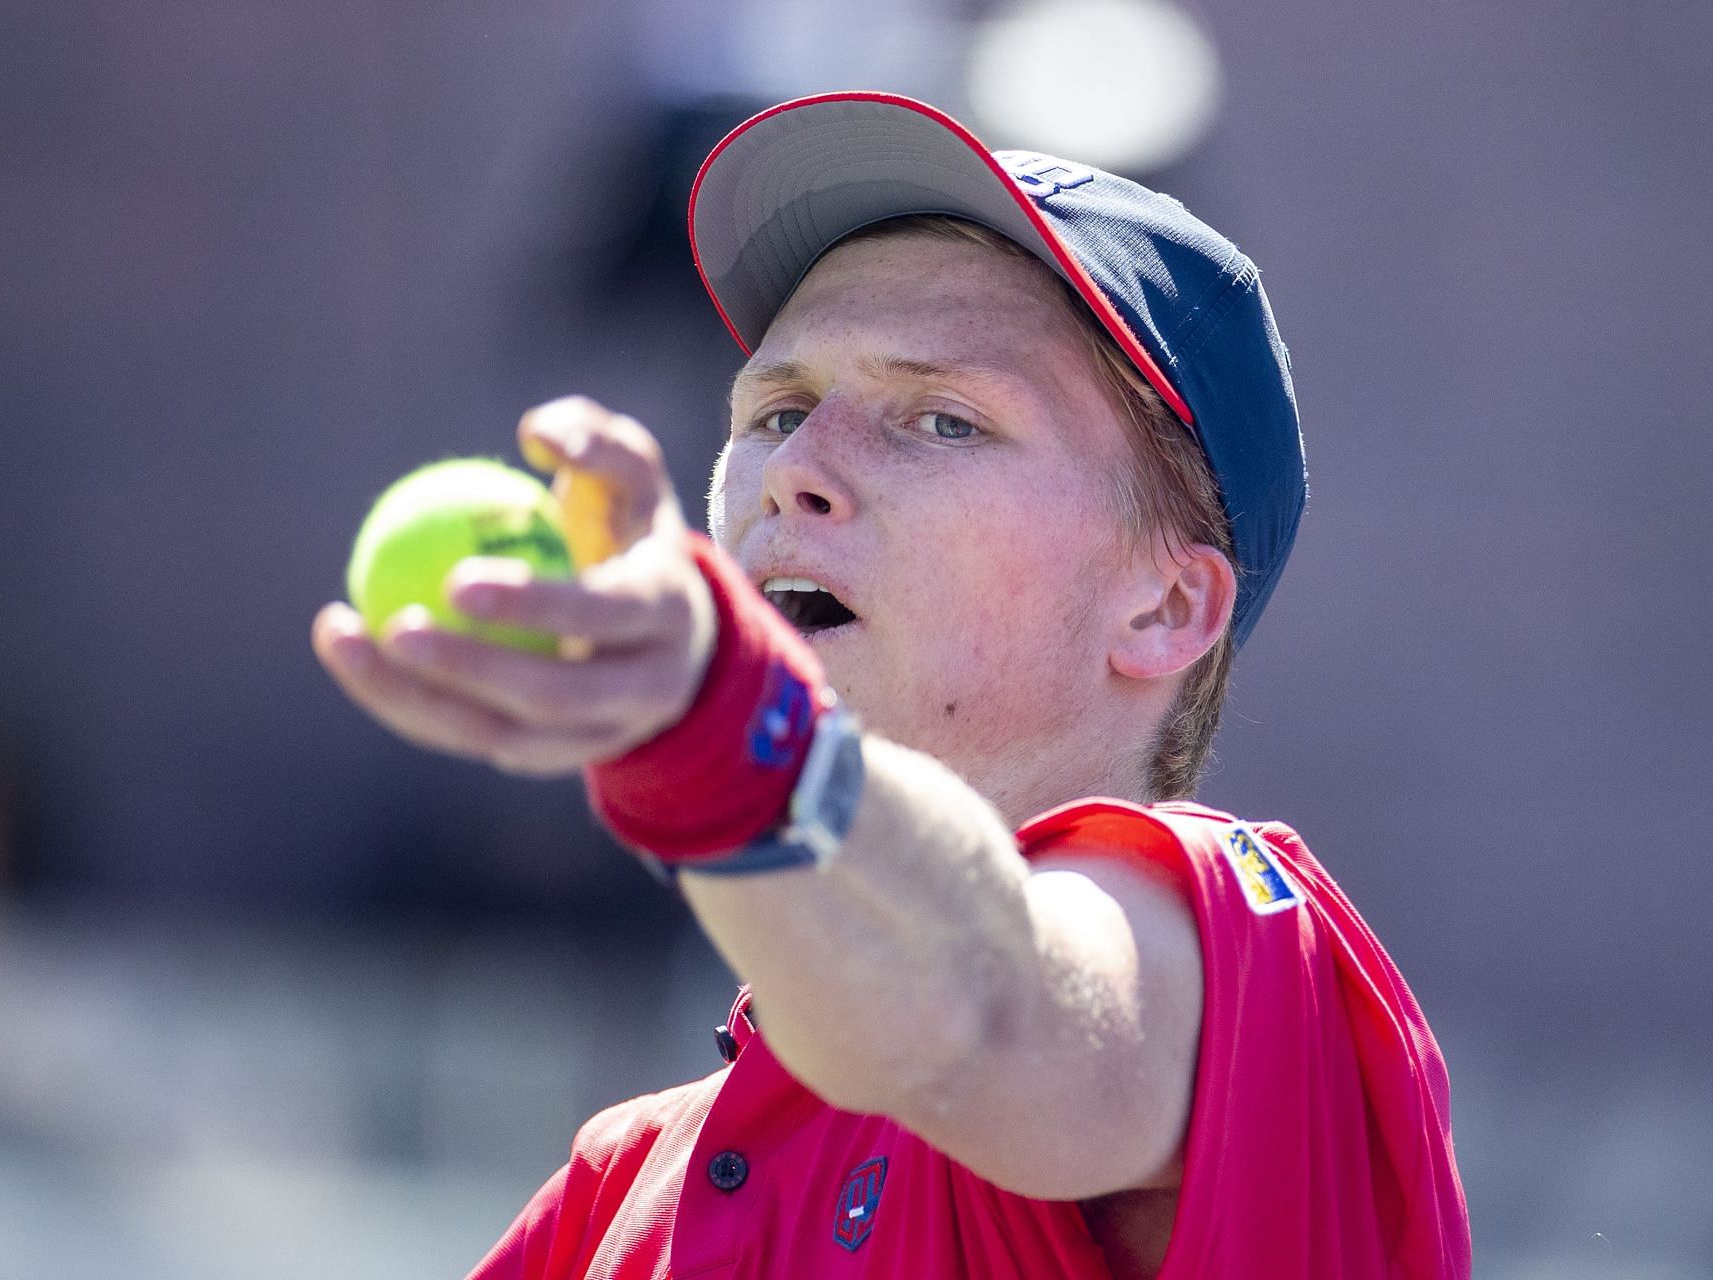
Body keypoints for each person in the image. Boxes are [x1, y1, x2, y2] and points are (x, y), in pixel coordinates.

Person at [313, 92, 1471, 1278]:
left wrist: (726, 727)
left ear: (1166, 606)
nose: (799, 470)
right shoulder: (618, 1193)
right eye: (779, 407)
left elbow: (981, 1010)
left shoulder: (1259, 958)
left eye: (943, 419)